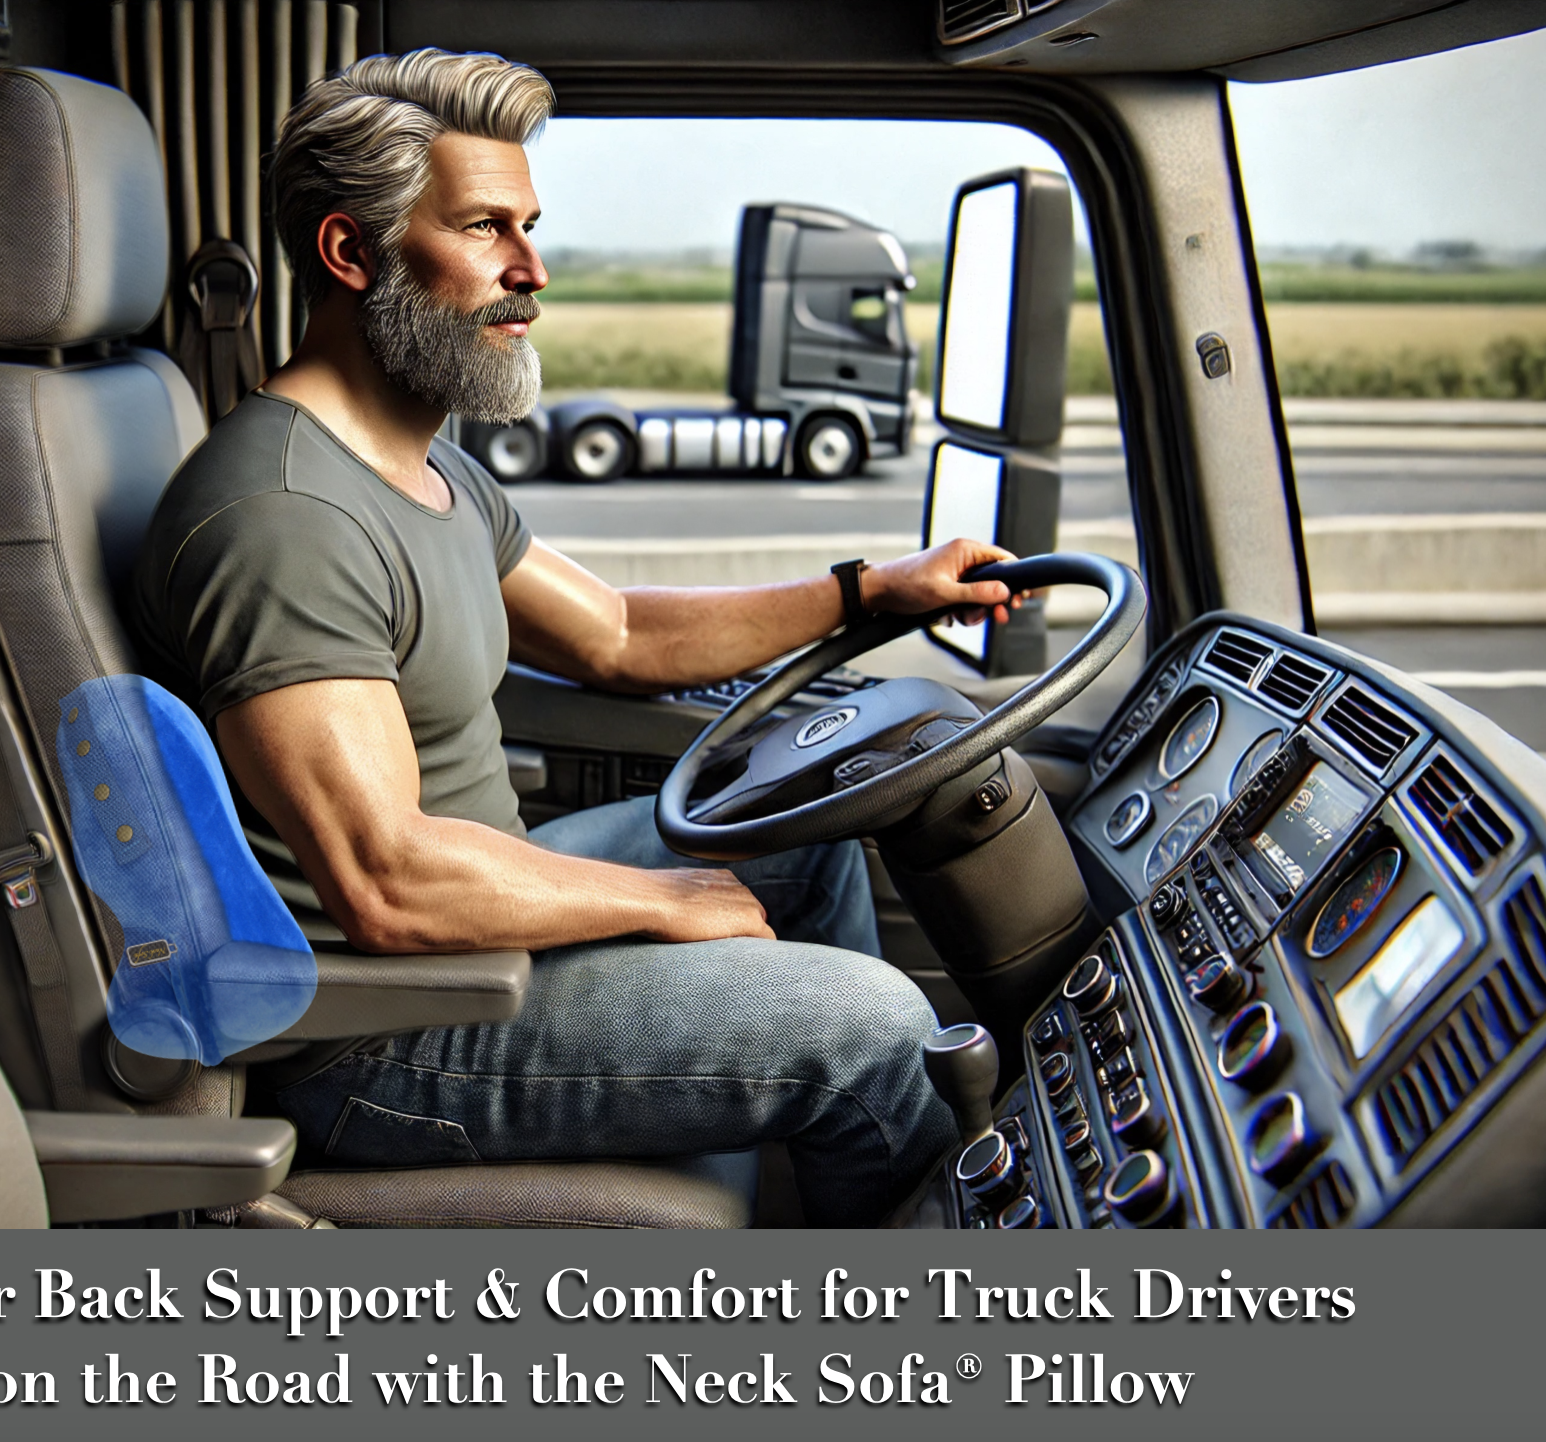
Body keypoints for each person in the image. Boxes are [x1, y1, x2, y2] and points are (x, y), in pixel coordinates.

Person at [131, 48, 1024, 1225]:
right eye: (486, 229)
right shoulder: (282, 517)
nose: (531, 271)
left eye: (530, 227)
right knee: (883, 1032)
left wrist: (871, 592)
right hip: (382, 1030)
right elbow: (387, 881)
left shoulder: (422, 461)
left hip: (474, 936)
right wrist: (656, 901)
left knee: (802, 841)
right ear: (353, 254)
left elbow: (614, 634)